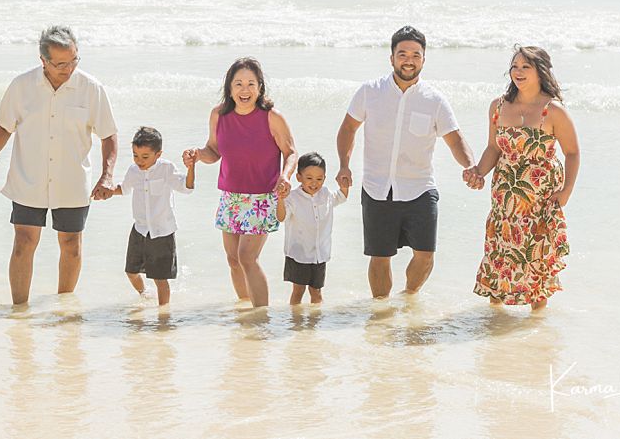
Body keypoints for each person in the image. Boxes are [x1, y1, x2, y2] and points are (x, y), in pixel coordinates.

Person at [0, 26, 118, 306]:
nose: (69, 68)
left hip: (72, 180)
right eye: (61, 63)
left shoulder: (91, 88)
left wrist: (107, 175)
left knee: (71, 246)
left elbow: (108, 134)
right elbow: (4, 127)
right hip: (28, 178)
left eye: (74, 60)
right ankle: (19, 310)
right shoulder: (22, 86)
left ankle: (63, 310)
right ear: (43, 60)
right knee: (24, 243)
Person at [335, 25, 475, 298]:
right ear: (391, 58)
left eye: (415, 54)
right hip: (377, 187)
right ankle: (382, 309)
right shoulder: (369, 92)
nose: (408, 60)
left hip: (420, 187)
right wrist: (344, 164)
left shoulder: (434, 100)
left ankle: (409, 296)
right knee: (379, 256)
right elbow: (348, 128)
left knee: (425, 255)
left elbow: (456, 140)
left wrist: (469, 165)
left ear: (423, 59)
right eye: (402, 54)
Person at [465, 46, 579, 310]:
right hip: (505, 200)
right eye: (515, 66)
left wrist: (566, 191)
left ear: (540, 71)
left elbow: (572, 152)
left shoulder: (553, 111)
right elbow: (494, 148)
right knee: (500, 257)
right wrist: (478, 172)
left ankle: (536, 330)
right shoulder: (498, 106)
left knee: (536, 261)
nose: (518, 72)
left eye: (525, 67)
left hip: (539, 201)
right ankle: (495, 323)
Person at [184, 57, 295, 307]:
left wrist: (285, 175)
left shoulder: (271, 117)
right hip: (231, 196)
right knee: (233, 259)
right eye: (239, 84)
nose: (245, 90)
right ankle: (246, 308)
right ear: (229, 87)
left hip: (262, 197)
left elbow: (291, 152)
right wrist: (198, 155)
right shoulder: (218, 115)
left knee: (247, 258)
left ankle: (261, 316)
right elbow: (213, 150)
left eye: (251, 84)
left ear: (260, 87)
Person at [109, 126, 195, 306]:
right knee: (131, 272)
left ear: (158, 154)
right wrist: (106, 192)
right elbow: (123, 189)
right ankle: (145, 295)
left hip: (162, 232)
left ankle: (163, 316)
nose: (139, 161)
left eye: (145, 157)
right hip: (140, 229)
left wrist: (191, 168)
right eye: (135, 155)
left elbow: (186, 188)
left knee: (160, 280)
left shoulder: (166, 169)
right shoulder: (133, 171)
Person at [276, 152, 348, 305]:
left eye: (319, 179)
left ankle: (314, 326)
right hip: (299, 253)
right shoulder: (292, 197)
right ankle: (295, 324)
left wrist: (344, 186)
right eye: (309, 178)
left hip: (319, 254)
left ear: (324, 178)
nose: (314, 183)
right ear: (299, 177)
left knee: (316, 292)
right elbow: (281, 217)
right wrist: (280, 200)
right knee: (298, 291)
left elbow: (341, 197)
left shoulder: (326, 194)